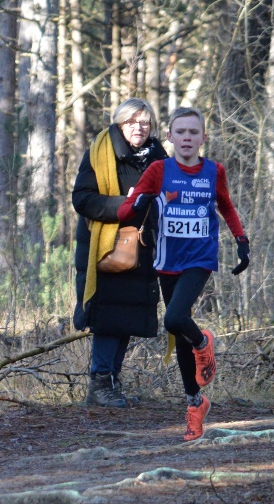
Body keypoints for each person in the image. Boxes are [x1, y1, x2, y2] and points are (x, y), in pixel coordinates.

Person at [116, 106, 250, 440]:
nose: (187, 138)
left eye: (194, 132)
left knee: (174, 319)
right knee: (177, 334)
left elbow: (226, 206)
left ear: (203, 138)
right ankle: (195, 404)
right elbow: (124, 214)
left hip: (200, 258)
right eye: (181, 132)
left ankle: (203, 342)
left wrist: (241, 240)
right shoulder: (158, 170)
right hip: (167, 259)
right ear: (170, 138)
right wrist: (139, 203)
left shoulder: (214, 171)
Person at [71, 98, 165, 407]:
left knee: (127, 318)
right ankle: (99, 385)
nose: (139, 127)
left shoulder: (156, 155)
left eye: (144, 122)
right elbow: (83, 199)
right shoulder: (100, 153)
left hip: (142, 248)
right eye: (132, 121)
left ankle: (110, 384)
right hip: (107, 247)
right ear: (120, 124)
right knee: (108, 317)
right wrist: (122, 205)